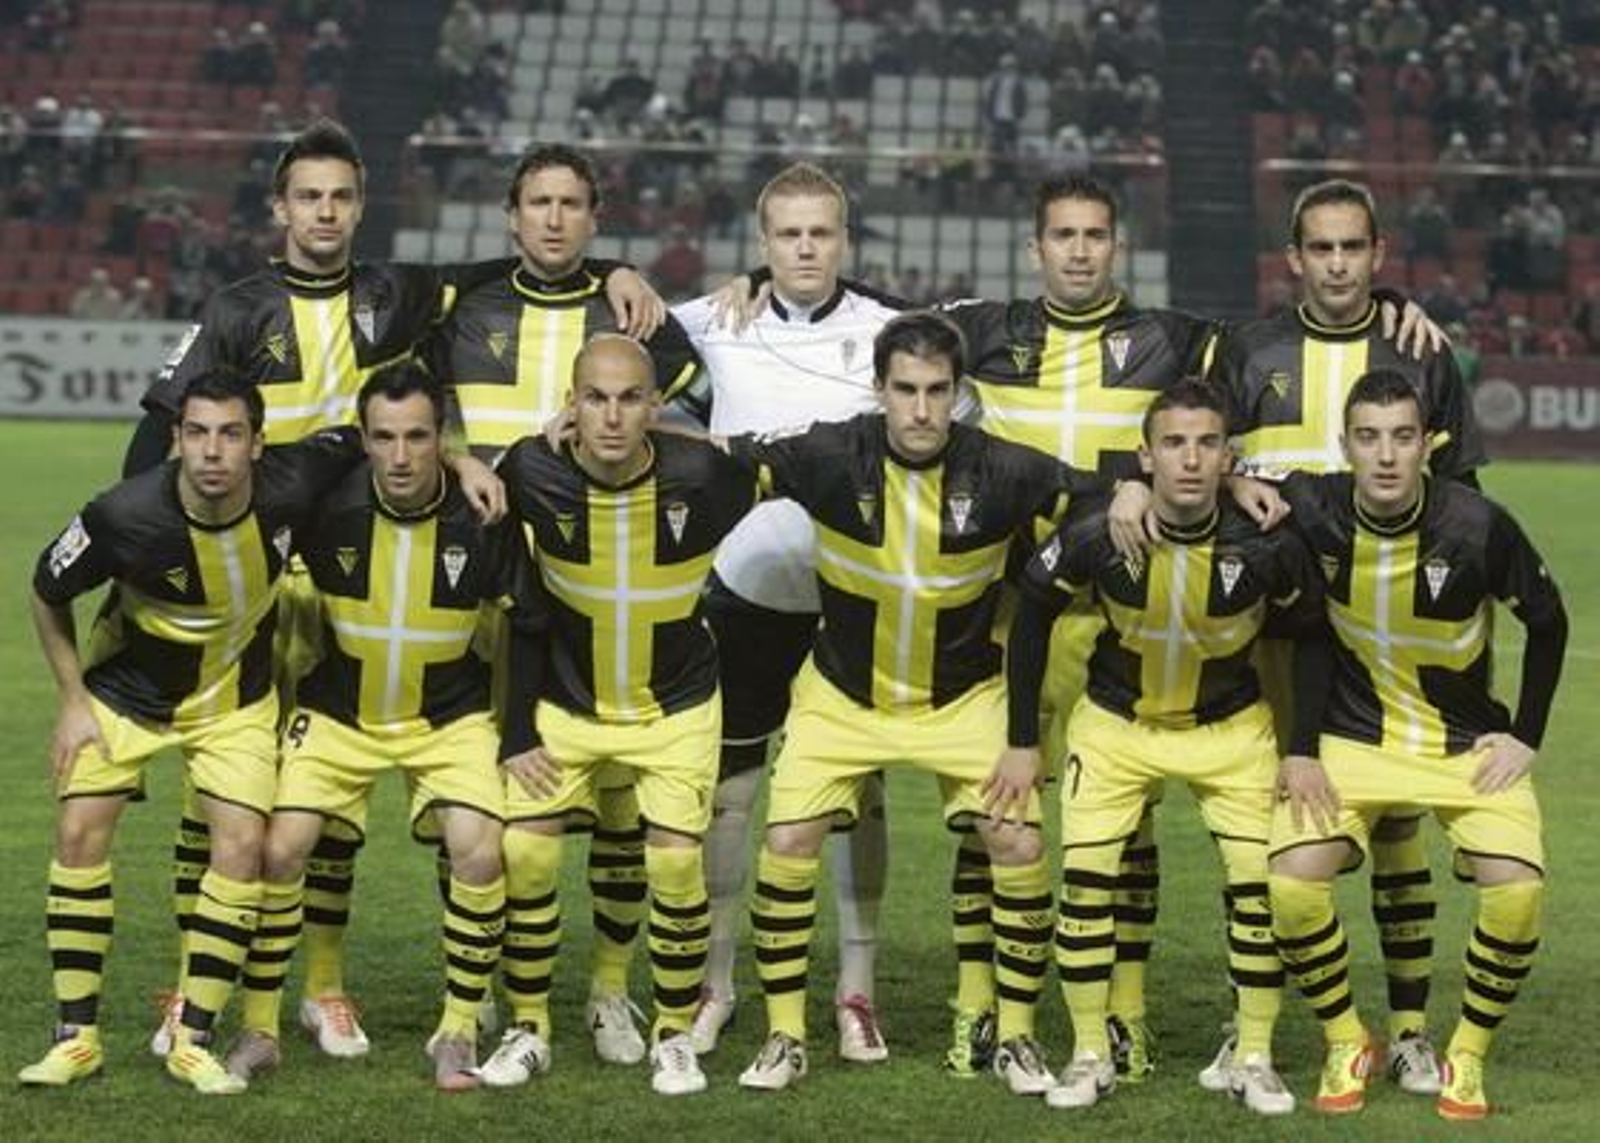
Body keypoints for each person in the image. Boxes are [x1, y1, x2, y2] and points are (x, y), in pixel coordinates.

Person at [127, 119, 659, 1062]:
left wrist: (614, 266)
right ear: (281, 206)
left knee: (435, 779)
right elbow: (162, 430)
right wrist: (143, 543)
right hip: (268, 565)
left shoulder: (398, 292)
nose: (325, 212)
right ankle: (192, 982)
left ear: (361, 206)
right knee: (229, 790)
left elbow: (535, 256)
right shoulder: (235, 306)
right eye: (309, 196)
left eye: (341, 196)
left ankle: (338, 989)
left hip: (392, 552)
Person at [722, 313, 1110, 1094]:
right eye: (906, 390)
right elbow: (712, 457)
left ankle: (1019, 1035)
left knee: (1019, 846)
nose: (922, 409)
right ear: (880, 390)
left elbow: (1099, 492)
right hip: (840, 696)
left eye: (938, 391)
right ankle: (786, 1034)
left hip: (962, 701)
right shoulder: (831, 452)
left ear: (959, 394)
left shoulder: (1005, 470)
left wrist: (1138, 493)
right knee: (790, 839)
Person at [1209, 177, 1487, 1096]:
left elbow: (1466, 499)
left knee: (1399, 823)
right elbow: (1197, 455)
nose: (1335, 264)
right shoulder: (1246, 350)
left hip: (1385, 636)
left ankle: (1407, 1028)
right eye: (1318, 249)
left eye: (1352, 248)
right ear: (1293, 258)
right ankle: (1249, 1027)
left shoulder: (1419, 353)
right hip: (1276, 628)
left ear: (1378, 254)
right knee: (1268, 821)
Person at [428, 143, 703, 1065]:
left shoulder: (629, 309)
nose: (553, 218)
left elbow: (690, 390)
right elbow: (410, 398)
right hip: (477, 580)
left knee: (621, 808)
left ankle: (610, 992)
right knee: (483, 795)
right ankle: (489, 987)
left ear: (596, 216)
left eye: (571, 203)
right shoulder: (462, 301)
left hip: (595, 583)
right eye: (537, 202)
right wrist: (467, 457)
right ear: (512, 216)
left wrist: (593, 427)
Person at [18, 373, 362, 1094]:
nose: (212, 451)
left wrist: (457, 461)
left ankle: (193, 1038)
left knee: (241, 845)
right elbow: (46, 590)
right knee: (80, 831)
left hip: (235, 700)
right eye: (197, 433)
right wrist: (72, 698)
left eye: (230, 434)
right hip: (125, 691)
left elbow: (372, 437)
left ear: (258, 444)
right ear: (176, 440)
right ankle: (75, 1036)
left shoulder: (293, 483)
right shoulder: (122, 513)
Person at [1006, 381, 1327, 1114]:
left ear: (1229, 457)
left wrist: (1300, 747)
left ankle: (1253, 1053)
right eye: (1174, 443)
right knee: (1086, 887)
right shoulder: (1099, 530)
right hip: (1117, 727)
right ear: (1145, 456)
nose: (1190, 459)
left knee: (1259, 891)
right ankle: (1090, 1052)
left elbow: (1310, 637)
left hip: (1231, 730)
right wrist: (1024, 739)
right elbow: (1030, 617)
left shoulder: (1270, 541)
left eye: (1207, 443)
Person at [218, 363, 540, 1092]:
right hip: (339, 713)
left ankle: (457, 1026)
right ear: (362, 439)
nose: (401, 456)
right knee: (280, 848)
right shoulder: (323, 506)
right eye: (385, 437)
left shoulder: (484, 515)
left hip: (448, 718)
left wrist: (516, 731)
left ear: (442, 439)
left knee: (480, 852)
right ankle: (262, 1025)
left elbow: (527, 626)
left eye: (420, 438)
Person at [1269, 369, 1566, 1120]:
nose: (1387, 455)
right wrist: (1300, 747)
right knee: (1293, 884)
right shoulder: (1315, 504)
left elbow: (1549, 617)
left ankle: (1465, 1052)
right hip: (1353, 738)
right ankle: (1348, 1037)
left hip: (1463, 744)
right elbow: (1229, 471)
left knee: (1519, 890)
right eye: (1369, 438)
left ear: (1427, 444)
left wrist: (1526, 736)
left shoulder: (1478, 524)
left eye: (1403, 436)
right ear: (1347, 447)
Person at [670, 162, 909, 1060]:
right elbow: (613, 359)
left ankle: (856, 987)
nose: (807, 247)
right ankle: (717, 981)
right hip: (745, 594)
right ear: (762, 244)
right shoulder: (712, 324)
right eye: (789, 234)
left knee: (862, 793)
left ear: (845, 239)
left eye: (823, 232)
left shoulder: (890, 330)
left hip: (854, 600)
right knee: (731, 793)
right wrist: (621, 275)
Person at [480, 335, 759, 1097]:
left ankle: (670, 1032)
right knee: (528, 855)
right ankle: (529, 1023)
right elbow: (510, 586)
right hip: (567, 703)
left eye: (629, 397)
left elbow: (801, 466)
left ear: (655, 407)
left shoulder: (704, 473)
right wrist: (516, 729)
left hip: (675, 705)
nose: (610, 415)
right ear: (570, 404)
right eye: (594, 397)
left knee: (673, 862)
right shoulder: (529, 469)